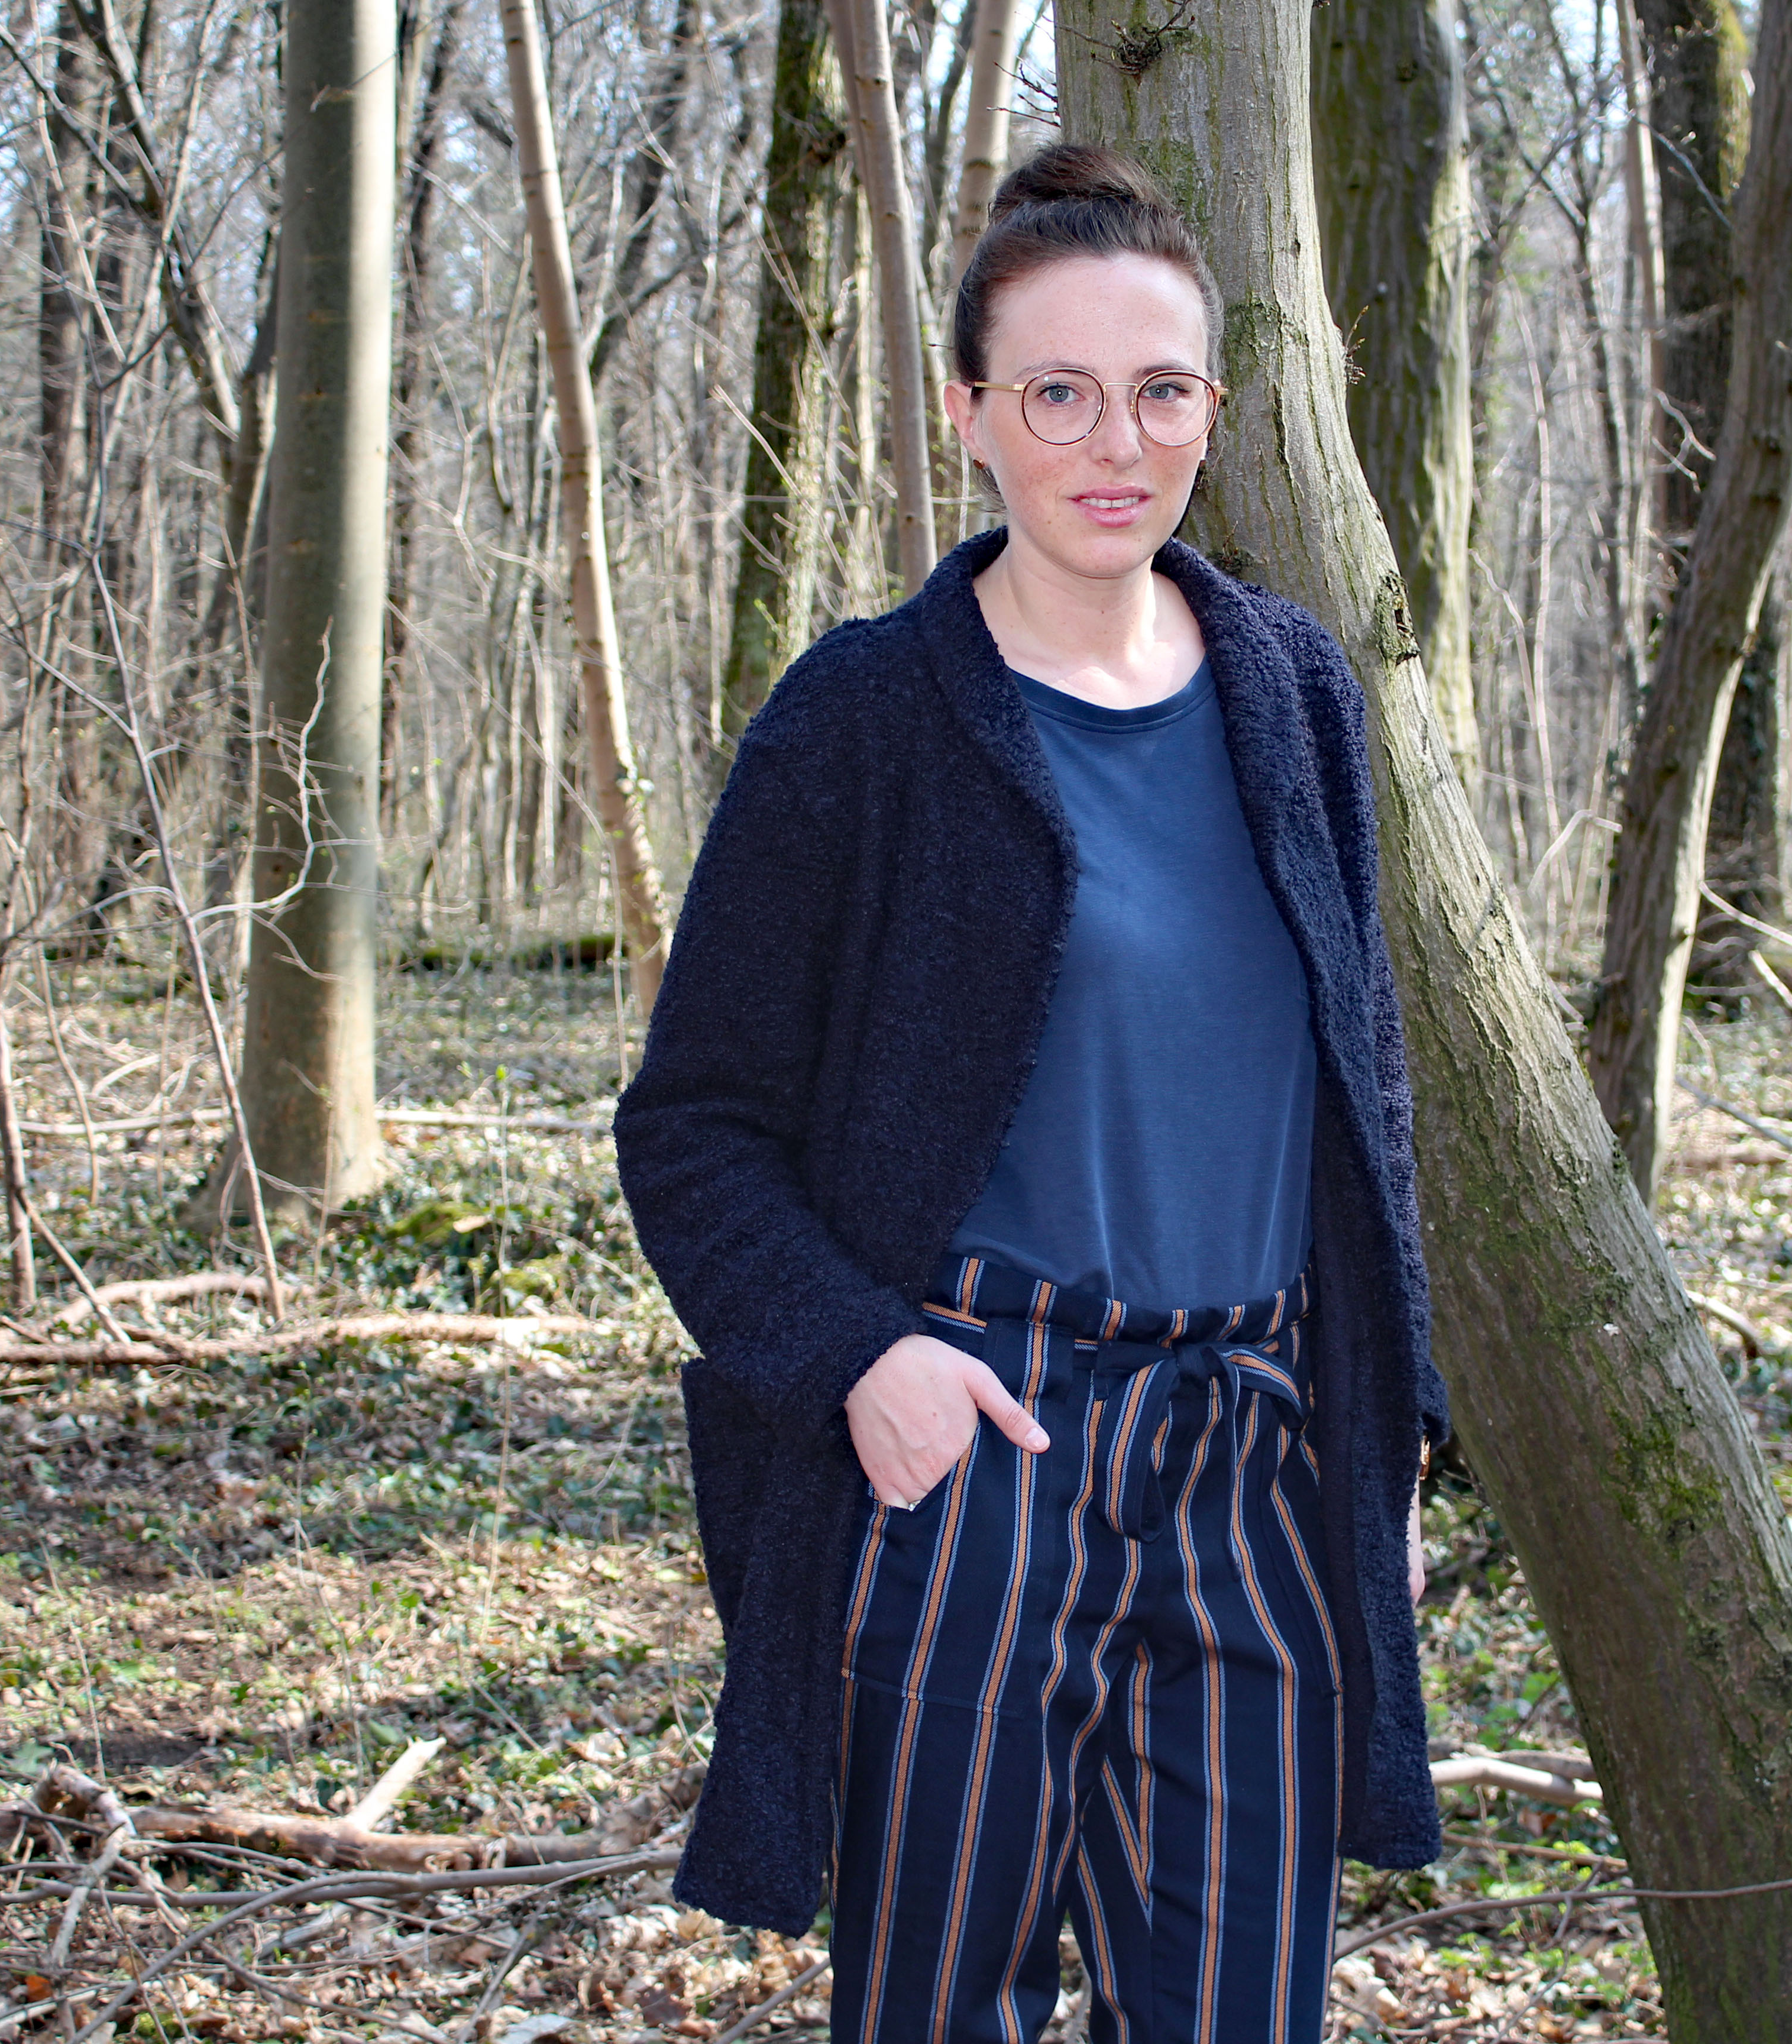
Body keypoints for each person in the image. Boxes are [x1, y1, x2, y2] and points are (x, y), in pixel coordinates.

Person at [613, 143, 1447, 2043]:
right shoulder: (862, 720)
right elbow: (693, 1128)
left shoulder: (1295, 693)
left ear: (1215, 412)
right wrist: (860, 1360)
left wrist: (1383, 1436)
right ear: (970, 411)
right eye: (1058, 392)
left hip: (1254, 1460)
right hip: (982, 1454)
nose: (1115, 443)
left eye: (1161, 392)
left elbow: (1368, 1103)